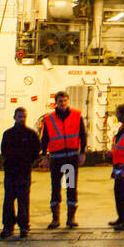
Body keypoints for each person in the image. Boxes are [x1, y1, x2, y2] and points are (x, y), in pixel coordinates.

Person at [39, 90, 86, 229]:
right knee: (55, 188)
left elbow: (82, 135)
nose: (63, 103)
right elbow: (45, 139)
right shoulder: (49, 119)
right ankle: (55, 219)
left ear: (68, 101)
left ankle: (71, 218)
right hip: (56, 159)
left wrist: (82, 152)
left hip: (71, 158)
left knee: (71, 187)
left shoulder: (77, 116)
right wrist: (44, 156)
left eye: (65, 100)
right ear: (56, 103)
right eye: (60, 101)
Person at [0, 107, 40, 239]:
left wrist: (28, 163)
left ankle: (24, 226)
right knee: (8, 200)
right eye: (19, 117)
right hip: (10, 172)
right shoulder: (8, 134)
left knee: (23, 200)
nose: (21, 119)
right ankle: (8, 227)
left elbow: (36, 151)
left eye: (23, 117)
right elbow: (3, 151)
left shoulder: (31, 134)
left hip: (24, 172)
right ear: (14, 117)